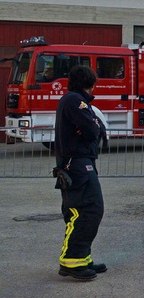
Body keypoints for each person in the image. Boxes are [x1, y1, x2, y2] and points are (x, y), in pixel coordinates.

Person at [53, 64, 108, 281]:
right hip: (76, 164)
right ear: (90, 83)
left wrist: (94, 125)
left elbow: (96, 128)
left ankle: (82, 257)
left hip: (80, 163)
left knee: (88, 209)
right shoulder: (75, 101)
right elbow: (93, 129)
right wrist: (94, 124)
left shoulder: (75, 101)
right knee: (86, 209)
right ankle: (72, 260)